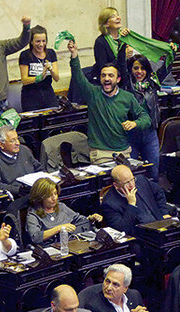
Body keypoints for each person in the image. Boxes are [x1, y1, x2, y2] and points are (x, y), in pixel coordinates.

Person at [67, 40, 150, 164]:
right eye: (103, 75)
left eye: (111, 76)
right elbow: (78, 77)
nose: (106, 78)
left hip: (124, 152)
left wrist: (135, 123)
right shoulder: (93, 93)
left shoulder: (127, 97)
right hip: (100, 153)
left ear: (118, 79)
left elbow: (146, 118)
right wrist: (74, 54)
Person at [121, 49, 176, 181]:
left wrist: (171, 54)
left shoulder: (152, 84)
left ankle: (154, 198)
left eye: (143, 68)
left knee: (154, 171)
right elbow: (121, 67)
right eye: (136, 68)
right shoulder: (127, 85)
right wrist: (122, 49)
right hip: (131, 135)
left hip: (150, 134)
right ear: (131, 70)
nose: (139, 71)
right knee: (131, 173)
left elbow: (165, 69)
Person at [26, 178, 103, 245]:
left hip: (70, 243)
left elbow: (78, 219)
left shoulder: (61, 206)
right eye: (49, 195)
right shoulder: (33, 214)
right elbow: (35, 237)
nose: (54, 198)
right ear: (40, 197)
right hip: (51, 248)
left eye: (55, 194)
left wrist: (91, 218)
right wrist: (59, 228)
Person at [101, 165, 171, 236]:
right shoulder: (109, 203)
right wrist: (131, 204)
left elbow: (159, 192)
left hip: (159, 224)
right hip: (140, 237)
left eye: (132, 179)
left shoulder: (140, 180)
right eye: (126, 183)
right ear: (116, 185)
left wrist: (164, 213)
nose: (132, 185)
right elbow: (121, 229)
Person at [0, 125, 43, 198]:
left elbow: (39, 168)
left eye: (17, 139)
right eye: (12, 141)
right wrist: (17, 190)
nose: (18, 143)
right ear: (1, 144)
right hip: (16, 196)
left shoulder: (24, 150)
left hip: (36, 191)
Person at [19, 25, 59, 111]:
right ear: (31, 41)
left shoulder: (51, 53)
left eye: (43, 41)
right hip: (31, 96)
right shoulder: (25, 55)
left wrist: (51, 69)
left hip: (48, 93)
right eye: (38, 41)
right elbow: (24, 80)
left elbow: (56, 78)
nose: (41, 44)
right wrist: (39, 77)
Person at [79, 264, 148, 312]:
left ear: (125, 288)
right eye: (107, 281)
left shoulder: (134, 295)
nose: (108, 288)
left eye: (115, 284)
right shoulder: (94, 307)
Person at [91, 7, 128, 82]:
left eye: (118, 15)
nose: (118, 18)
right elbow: (104, 68)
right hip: (108, 81)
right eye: (113, 16)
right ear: (106, 24)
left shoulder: (123, 39)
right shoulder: (100, 42)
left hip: (123, 78)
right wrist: (122, 55)